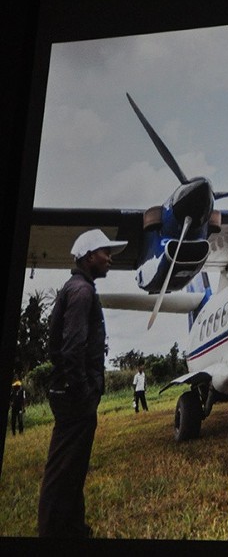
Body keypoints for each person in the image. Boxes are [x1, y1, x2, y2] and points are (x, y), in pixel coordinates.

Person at [38, 229, 127, 538]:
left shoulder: (74, 287)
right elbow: (71, 347)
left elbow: (54, 345)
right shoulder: (82, 292)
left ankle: (75, 530)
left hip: (71, 393)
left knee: (72, 468)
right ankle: (50, 533)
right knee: (62, 471)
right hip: (77, 398)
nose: (110, 258)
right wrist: (84, 391)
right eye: (106, 253)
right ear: (90, 257)